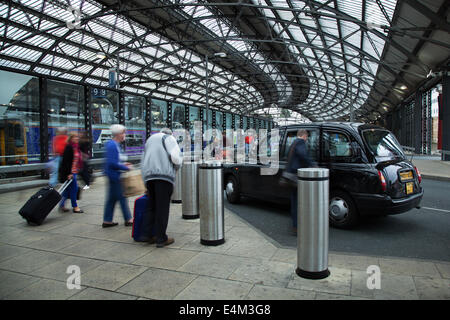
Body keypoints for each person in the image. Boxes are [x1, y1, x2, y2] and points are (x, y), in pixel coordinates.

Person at [141, 128, 182, 247]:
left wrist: (145, 182)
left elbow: (142, 161)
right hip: (164, 177)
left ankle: (147, 235)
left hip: (149, 177)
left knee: (151, 206)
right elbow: (176, 158)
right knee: (162, 208)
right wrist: (177, 168)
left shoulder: (149, 140)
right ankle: (161, 238)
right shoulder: (169, 138)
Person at [103, 124, 133, 228]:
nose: (124, 135)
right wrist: (125, 167)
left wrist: (124, 164)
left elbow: (115, 161)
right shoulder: (113, 145)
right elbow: (112, 163)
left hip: (113, 175)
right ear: (118, 134)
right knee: (122, 197)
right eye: (123, 133)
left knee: (111, 199)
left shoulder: (114, 144)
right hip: (115, 176)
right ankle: (128, 219)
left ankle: (107, 220)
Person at [286, 129, 312, 234]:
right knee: (298, 201)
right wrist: (312, 164)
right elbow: (303, 155)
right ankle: (297, 226)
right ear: (303, 135)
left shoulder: (293, 143)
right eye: (306, 137)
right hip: (297, 176)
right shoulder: (300, 142)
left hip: (291, 175)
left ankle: (295, 225)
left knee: (294, 200)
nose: (306, 139)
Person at [58, 131, 84, 213]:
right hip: (71, 172)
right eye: (75, 137)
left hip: (74, 171)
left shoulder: (75, 147)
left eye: (77, 137)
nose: (77, 138)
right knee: (74, 189)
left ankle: (62, 205)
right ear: (71, 138)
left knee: (67, 190)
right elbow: (66, 162)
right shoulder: (69, 147)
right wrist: (69, 173)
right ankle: (75, 207)